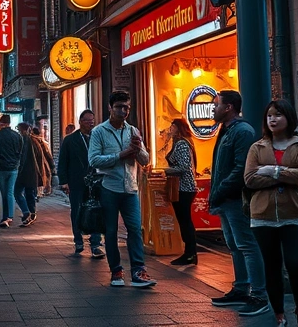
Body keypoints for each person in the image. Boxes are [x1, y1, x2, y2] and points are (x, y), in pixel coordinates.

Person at [244, 100, 298, 327]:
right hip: (262, 216)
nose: (272, 120)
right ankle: (279, 314)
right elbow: (250, 179)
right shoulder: (257, 147)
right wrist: (285, 175)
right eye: (269, 116)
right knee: (272, 266)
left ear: (289, 118)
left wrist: (272, 171)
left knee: (295, 263)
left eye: (278, 115)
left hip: (295, 213)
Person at [207, 89, 268, 316]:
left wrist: (220, 190)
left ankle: (259, 294)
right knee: (234, 245)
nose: (213, 108)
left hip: (236, 199)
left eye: (216, 104)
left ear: (229, 107)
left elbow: (241, 168)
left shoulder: (242, 131)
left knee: (246, 245)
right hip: (226, 198)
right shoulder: (226, 130)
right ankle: (241, 288)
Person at [89, 90, 157, 288]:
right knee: (110, 231)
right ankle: (116, 271)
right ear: (110, 107)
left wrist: (137, 150)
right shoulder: (99, 132)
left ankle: (138, 271)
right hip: (109, 187)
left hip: (131, 188)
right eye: (119, 107)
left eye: (126, 107)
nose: (123, 111)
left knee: (135, 229)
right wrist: (120, 155)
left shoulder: (133, 131)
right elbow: (94, 160)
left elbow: (145, 160)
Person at [58, 109, 104, 258]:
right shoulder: (70, 140)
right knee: (77, 210)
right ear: (80, 121)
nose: (90, 123)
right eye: (87, 120)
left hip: (96, 181)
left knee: (97, 211)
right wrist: (64, 181)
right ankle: (78, 240)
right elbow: (63, 161)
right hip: (76, 181)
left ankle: (96, 243)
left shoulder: (98, 138)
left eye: (92, 121)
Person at [164, 118, 198, 265]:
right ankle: (190, 252)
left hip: (184, 187)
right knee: (183, 220)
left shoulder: (182, 144)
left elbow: (184, 167)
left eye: (172, 127)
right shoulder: (178, 143)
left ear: (178, 128)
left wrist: (166, 171)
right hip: (182, 187)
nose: (169, 129)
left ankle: (190, 253)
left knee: (185, 220)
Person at [14, 123, 53, 227]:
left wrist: (19, 169)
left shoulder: (26, 141)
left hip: (26, 172)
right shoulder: (38, 141)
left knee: (18, 192)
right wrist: (51, 170)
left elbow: (23, 158)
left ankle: (28, 213)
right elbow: (48, 156)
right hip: (34, 172)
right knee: (29, 193)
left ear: (23, 130)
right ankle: (31, 213)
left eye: (19, 129)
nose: (18, 131)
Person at [0, 114, 23, 229]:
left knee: (4, 193)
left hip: (1, 168)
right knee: (10, 192)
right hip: (13, 168)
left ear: (1, 123)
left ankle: (6, 216)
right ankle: (8, 216)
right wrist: (16, 163)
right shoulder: (17, 136)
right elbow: (20, 151)